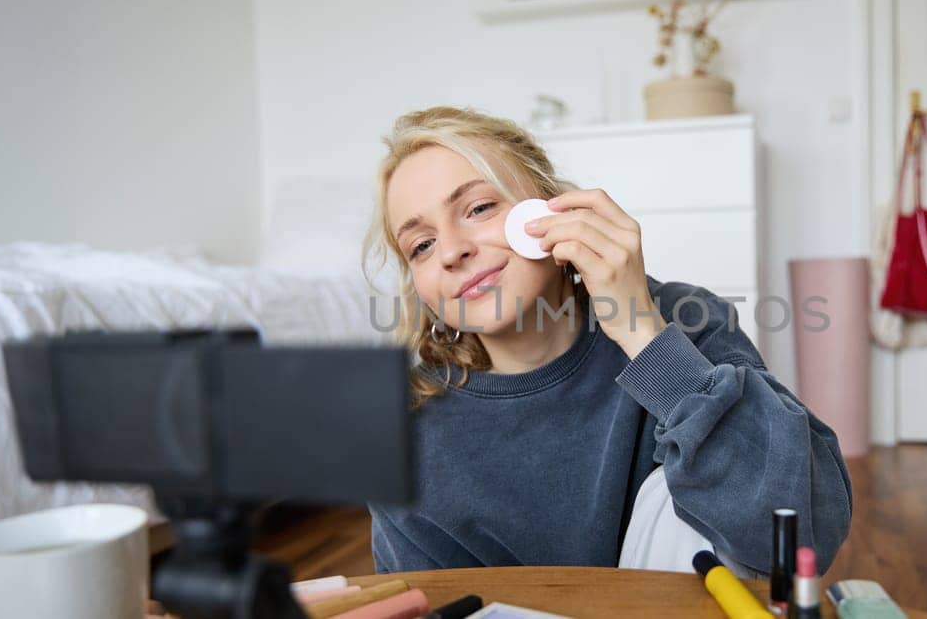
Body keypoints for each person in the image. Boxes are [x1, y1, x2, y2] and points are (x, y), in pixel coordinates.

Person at [363, 106, 852, 575]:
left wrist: (641, 330)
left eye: (479, 207)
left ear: (553, 207)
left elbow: (806, 536)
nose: (450, 250)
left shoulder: (686, 321)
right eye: (421, 245)